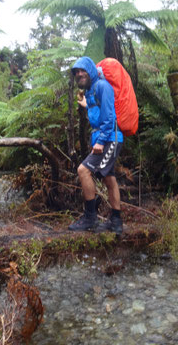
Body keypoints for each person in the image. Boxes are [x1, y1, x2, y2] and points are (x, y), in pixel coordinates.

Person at [68, 56, 124, 235]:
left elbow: (109, 117)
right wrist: (86, 105)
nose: (79, 74)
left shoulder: (102, 86)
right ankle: (116, 221)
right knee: (109, 179)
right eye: (76, 72)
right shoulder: (92, 91)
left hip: (109, 139)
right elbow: (97, 111)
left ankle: (90, 217)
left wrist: (100, 142)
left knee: (83, 170)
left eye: (82, 71)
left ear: (91, 71)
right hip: (107, 138)